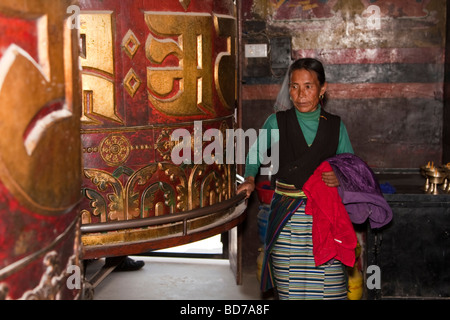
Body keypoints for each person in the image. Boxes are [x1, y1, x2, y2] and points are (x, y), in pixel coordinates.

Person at [237, 57, 355, 300]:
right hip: (287, 217)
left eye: (308, 86)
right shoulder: (277, 122)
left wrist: (340, 176)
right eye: (294, 86)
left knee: (329, 288)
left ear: (323, 89)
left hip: (324, 217)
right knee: (290, 290)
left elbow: (350, 166)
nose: (300, 94)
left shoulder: (335, 126)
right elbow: (256, 152)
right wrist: (249, 177)